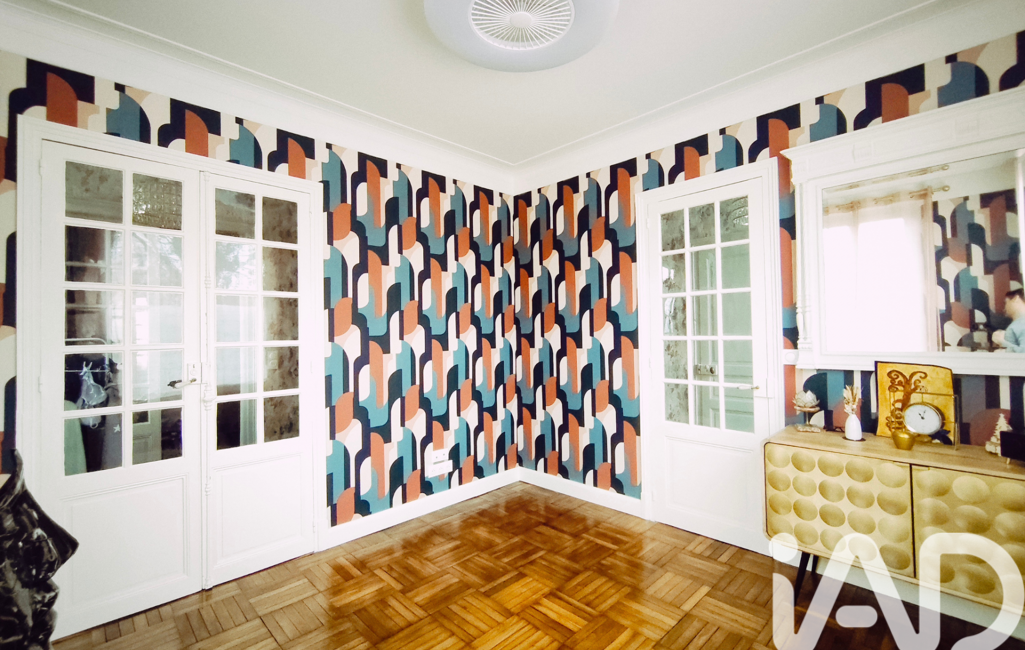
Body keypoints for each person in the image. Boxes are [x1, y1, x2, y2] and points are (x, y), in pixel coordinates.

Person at [993, 288, 1025, 353]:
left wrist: (1001, 341)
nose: (1004, 308)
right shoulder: (1018, 323)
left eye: (1006, 302)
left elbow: (1023, 351)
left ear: (1016, 299)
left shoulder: (1022, 323)